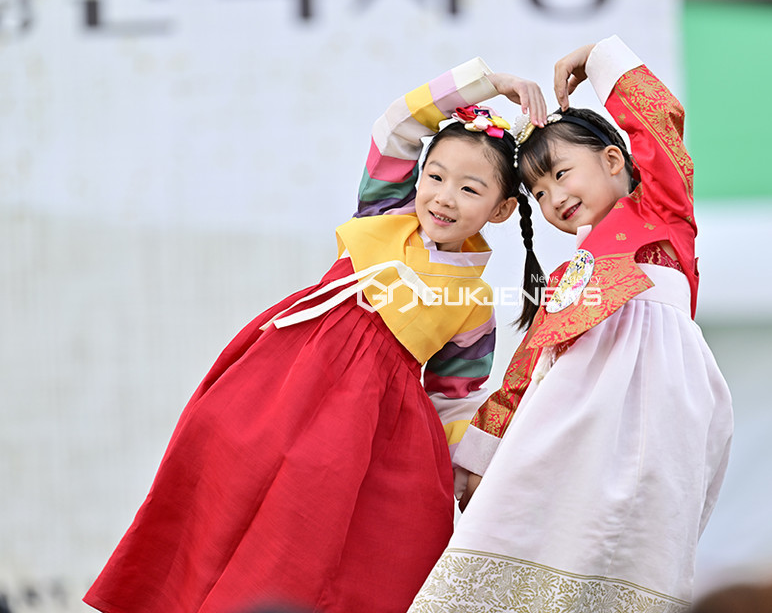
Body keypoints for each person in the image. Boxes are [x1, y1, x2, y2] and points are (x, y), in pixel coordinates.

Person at [83, 59, 547, 613]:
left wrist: (467, 479)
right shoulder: (384, 211)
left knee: (317, 530)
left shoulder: (472, 304)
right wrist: (488, 84)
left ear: (500, 210)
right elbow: (396, 129)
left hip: (367, 422)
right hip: (285, 378)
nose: (444, 197)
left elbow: (457, 400)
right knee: (226, 488)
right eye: (436, 177)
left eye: (470, 189)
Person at [409, 35, 734, 611]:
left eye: (561, 173)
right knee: (526, 545)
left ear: (613, 161)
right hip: (566, 431)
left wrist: (595, 57)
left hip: (659, 422)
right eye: (537, 191)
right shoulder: (568, 278)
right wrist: (486, 459)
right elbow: (528, 366)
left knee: (635, 552)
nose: (553, 196)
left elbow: (658, 122)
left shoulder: (662, 214)